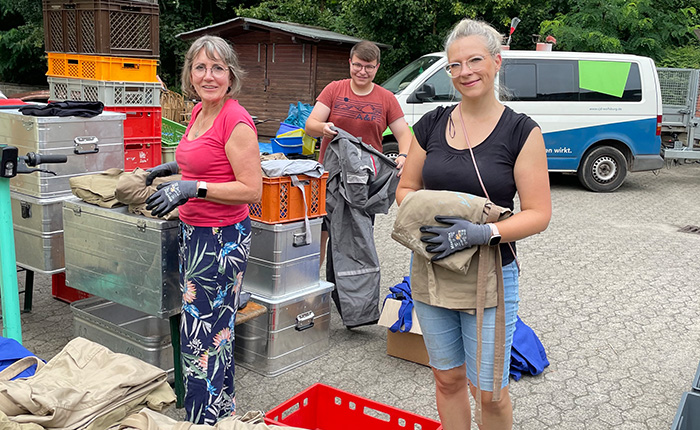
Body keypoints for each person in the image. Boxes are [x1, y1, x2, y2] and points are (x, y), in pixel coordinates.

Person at [395, 19, 552, 429]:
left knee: (490, 393)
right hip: (432, 269)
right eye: (455, 65)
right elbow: (406, 189)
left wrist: (483, 231)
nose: (465, 71)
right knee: (447, 379)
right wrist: (430, 217)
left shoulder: (521, 131)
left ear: (496, 62)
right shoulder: (431, 123)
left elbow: (539, 213)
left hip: (490, 275)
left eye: (475, 60)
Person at [144, 35, 262, 425]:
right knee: (210, 330)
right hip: (196, 235)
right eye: (200, 67)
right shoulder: (199, 112)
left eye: (217, 68)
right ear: (189, 74)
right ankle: (216, 411)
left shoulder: (235, 119)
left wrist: (194, 188)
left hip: (222, 240)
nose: (208, 76)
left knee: (205, 335)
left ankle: (204, 418)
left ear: (231, 75)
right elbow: (207, 164)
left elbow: (251, 189)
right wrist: (173, 171)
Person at [305, 40, 413, 268]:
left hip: (363, 182)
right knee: (321, 234)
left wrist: (403, 156)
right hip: (330, 178)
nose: (362, 71)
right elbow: (311, 124)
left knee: (357, 237)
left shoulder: (386, 99)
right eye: (358, 65)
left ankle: (351, 291)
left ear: (377, 67)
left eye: (369, 67)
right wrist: (324, 128)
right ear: (350, 63)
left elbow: (404, 135)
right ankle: (315, 287)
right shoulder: (334, 89)